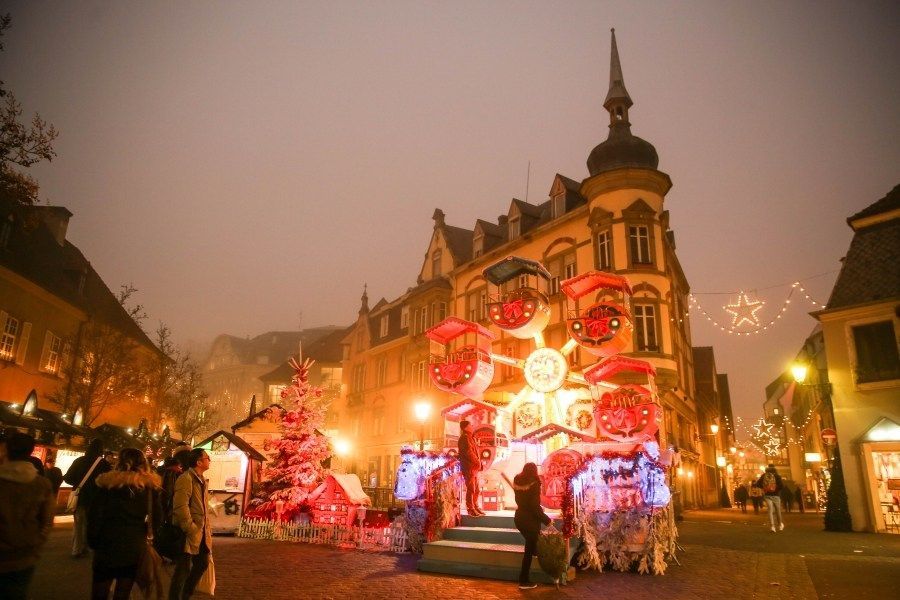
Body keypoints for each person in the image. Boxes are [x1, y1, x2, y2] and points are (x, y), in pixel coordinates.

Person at [87, 447, 163, 600]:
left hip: (106, 544)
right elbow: (158, 518)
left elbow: (94, 516)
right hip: (133, 546)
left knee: (99, 592)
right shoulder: (148, 488)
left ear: (120, 462)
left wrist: (93, 541)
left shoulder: (107, 485)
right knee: (123, 591)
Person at [0, 432, 55, 600]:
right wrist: (36, 544)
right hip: (25, 554)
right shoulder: (41, 484)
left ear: (6, 450)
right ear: (30, 452)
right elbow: (46, 521)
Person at [170, 448, 213, 600]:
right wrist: (190, 528)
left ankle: (186, 594)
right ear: (198, 462)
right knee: (182, 569)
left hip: (201, 531)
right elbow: (181, 506)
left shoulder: (201, 480)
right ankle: (176, 597)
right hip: (190, 531)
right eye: (207, 458)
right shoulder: (186, 478)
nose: (209, 460)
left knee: (202, 563)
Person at [63, 439, 111, 558]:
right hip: (97, 500)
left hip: (80, 497)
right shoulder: (104, 464)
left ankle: (76, 549)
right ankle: (86, 546)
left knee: (78, 524)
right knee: (91, 523)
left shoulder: (79, 461)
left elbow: (68, 478)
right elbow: (108, 483)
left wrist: (79, 483)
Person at [510, 463, 551, 590]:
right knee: (529, 551)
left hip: (519, 518)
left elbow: (528, 504)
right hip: (530, 521)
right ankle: (523, 581)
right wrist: (547, 520)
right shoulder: (534, 484)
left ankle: (536, 552)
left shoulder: (518, 481)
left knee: (533, 545)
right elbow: (534, 507)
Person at [457, 420, 484, 517]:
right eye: (470, 425)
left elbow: (475, 453)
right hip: (469, 467)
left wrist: (479, 463)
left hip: (474, 468)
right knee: (471, 488)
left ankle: (475, 506)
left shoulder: (470, 437)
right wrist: (477, 462)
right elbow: (469, 453)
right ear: (465, 428)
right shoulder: (464, 438)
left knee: (476, 489)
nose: (472, 426)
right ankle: (470, 508)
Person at [757, 464, 785, 532]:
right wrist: (775, 489)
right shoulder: (777, 476)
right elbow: (782, 486)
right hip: (776, 495)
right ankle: (780, 524)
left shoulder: (764, 475)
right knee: (778, 510)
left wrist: (765, 488)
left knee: (770, 510)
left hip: (767, 495)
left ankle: (772, 526)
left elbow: (758, 484)